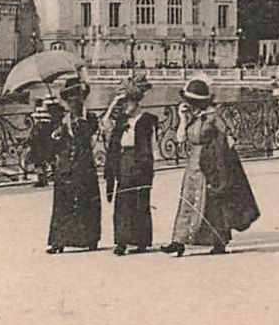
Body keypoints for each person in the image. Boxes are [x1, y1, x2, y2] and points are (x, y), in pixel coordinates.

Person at [163, 77, 260, 256]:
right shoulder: (191, 117)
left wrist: (220, 155)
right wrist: (182, 118)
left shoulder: (214, 116)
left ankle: (218, 241)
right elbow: (181, 139)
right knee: (189, 201)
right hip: (193, 165)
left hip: (212, 164)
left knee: (214, 203)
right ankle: (179, 241)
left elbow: (230, 139)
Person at [103, 75, 157, 256]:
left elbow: (153, 145)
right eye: (123, 103)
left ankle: (141, 241)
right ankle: (121, 242)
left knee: (140, 201)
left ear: (136, 102)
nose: (125, 106)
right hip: (124, 161)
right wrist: (114, 102)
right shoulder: (121, 120)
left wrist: (149, 166)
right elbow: (105, 124)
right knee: (123, 202)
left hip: (141, 162)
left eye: (128, 102)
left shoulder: (148, 119)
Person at [48, 78, 102, 253]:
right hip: (65, 166)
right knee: (63, 202)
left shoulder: (90, 118)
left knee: (86, 201)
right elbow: (54, 144)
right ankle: (59, 241)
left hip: (84, 165)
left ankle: (89, 238)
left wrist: (82, 123)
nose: (72, 102)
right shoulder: (61, 120)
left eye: (76, 98)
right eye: (69, 98)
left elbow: (90, 141)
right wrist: (56, 136)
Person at [27, 98, 56, 187]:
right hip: (45, 144)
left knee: (39, 160)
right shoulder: (48, 122)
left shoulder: (40, 125)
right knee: (48, 158)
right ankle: (49, 175)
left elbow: (34, 136)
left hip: (40, 145)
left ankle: (42, 178)